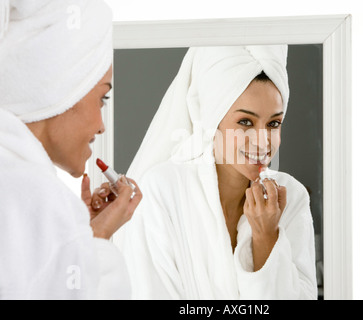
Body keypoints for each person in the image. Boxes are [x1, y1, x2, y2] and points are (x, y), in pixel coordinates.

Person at [115, 46, 317, 299]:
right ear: (212, 120)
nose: (263, 142)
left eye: (273, 123)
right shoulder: (162, 191)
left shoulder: (292, 197)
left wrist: (266, 237)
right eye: (245, 122)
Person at [0, 0, 142, 299]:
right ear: (64, 89)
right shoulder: (34, 196)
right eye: (102, 98)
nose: (102, 126)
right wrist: (94, 241)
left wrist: (79, 237)